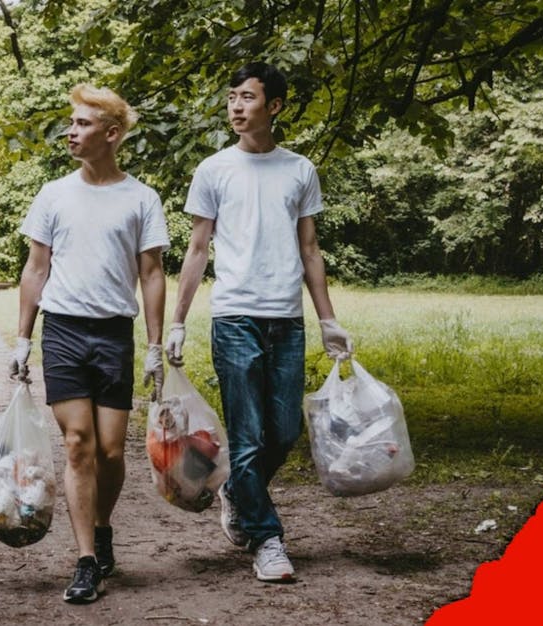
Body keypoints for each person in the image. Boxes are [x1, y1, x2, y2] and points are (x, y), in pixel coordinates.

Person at [167, 62, 354, 584]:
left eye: (247, 97)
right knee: (247, 438)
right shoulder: (213, 169)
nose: (235, 106)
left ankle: (235, 491)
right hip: (234, 317)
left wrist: (328, 320)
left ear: (274, 106)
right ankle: (268, 539)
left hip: (286, 320)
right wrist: (177, 322)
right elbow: (198, 247)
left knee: (285, 429)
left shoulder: (300, 170)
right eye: (231, 97)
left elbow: (310, 248)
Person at [9, 84, 169, 604]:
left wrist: (154, 344)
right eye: (71, 123)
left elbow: (151, 273)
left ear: (111, 134)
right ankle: (85, 560)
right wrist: (21, 338)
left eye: (81, 124)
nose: (70, 132)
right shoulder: (53, 194)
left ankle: (103, 527)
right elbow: (36, 268)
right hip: (63, 330)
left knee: (110, 450)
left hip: (113, 334)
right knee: (78, 446)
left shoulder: (141, 198)